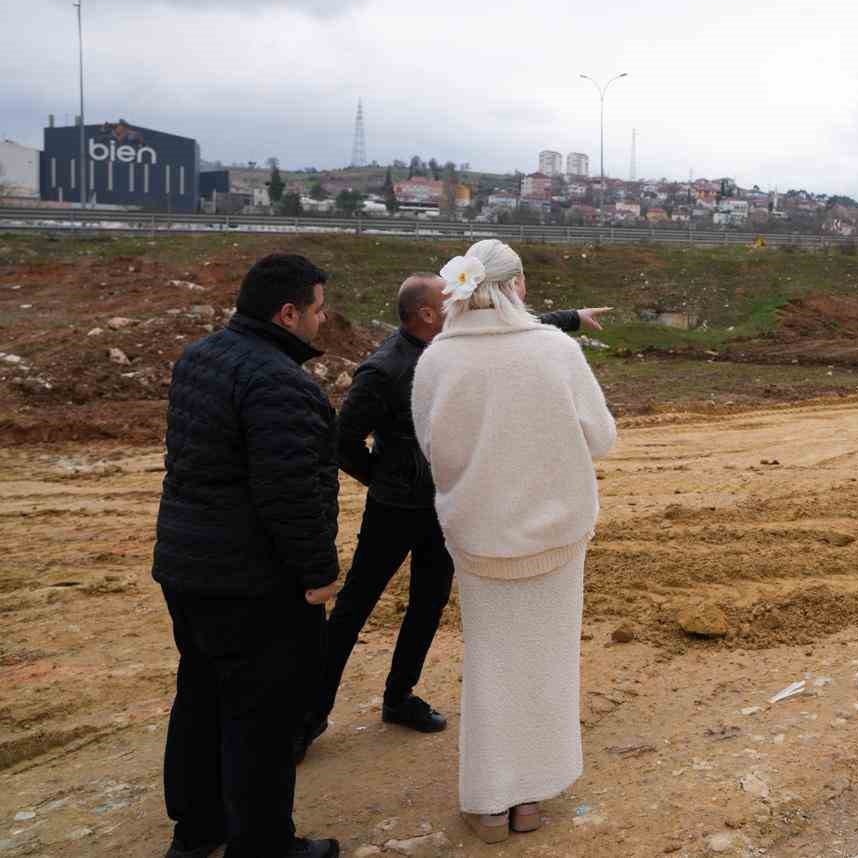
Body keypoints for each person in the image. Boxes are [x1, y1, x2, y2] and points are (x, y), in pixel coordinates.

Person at [297, 273, 610, 760]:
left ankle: (399, 697)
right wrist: (386, 480)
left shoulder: (455, 345)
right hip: (393, 510)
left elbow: (510, 331)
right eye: (450, 299)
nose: (466, 302)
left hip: (445, 506)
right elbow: (342, 441)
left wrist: (571, 319)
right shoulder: (383, 369)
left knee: (428, 602)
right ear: (425, 313)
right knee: (356, 605)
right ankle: (308, 716)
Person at [410, 240, 615, 843]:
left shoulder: (437, 360)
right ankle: (533, 796)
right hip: (556, 536)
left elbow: (431, 449)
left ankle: (490, 800)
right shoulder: (555, 349)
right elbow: (600, 438)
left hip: (477, 538)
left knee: (490, 660)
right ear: (517, 286)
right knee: (549, 661)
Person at [152, 253, 341, 858]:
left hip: (186, 568)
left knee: (202, 693)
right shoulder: (281, 383)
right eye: (316, 309)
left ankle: (197, 830)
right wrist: (318, 573)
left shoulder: (198, 357)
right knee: (262, 716)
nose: (323, 319)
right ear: (288, 313)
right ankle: (263, 845)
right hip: (252, 582)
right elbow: (289, 493)